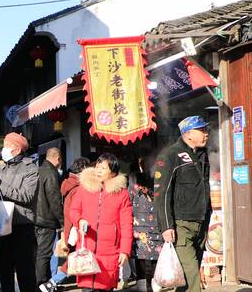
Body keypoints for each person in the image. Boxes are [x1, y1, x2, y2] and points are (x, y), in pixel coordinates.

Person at [154, 116, 211, 292]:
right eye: (202, 130)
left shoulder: (202, 155)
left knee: (185, 279)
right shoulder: (170, 155)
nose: (206, 134)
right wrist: (166, 226)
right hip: (180, 226)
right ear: (188, 134)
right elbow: (161, 194)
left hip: (200, 223)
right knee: (192, 279)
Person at [70, 153, 133, 291]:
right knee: (86, 288)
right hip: (86, 248)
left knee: (104, 286)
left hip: (110, 252)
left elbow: (126, 224)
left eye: (103, 168)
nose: (98, 170)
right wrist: (79, 221)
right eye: (97, 166)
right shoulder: (84, 188)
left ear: (113, 173)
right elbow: (74, 210)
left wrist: (125, 251)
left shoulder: (121, 193)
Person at [0, 132, 38, 292]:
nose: (3, 149)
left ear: (17, 149)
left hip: (22, 224)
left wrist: (1, 184)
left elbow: (27, 196)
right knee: (4, 270)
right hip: (3, 225)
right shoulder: (2, 166)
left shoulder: (30, 169)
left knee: (25, 270)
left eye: (7, 145)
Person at [39, 157, 90, 292]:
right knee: (76, 260)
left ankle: (52, 282)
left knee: (75, 259)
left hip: (69, 226)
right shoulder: (79, 188)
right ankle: (51, 283)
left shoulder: (69, 184)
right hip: (76, 228)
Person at [129, 157, 162, 292]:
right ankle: (154, 286)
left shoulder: (133, 185)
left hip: (139, 229)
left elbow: (128, 204)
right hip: (155, 227)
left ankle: (144, 286)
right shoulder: (159, 182)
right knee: (154, 259)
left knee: (142, 260)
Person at [35, 148, 64, 286]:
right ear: (57, 158)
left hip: (36, 218)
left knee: (39, 253)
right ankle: (41, 283)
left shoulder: (38, 170)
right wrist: (63, 221)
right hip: (47, 220)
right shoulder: (51, 173)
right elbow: (55, 200)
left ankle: (41, 282)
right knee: (44, 255)